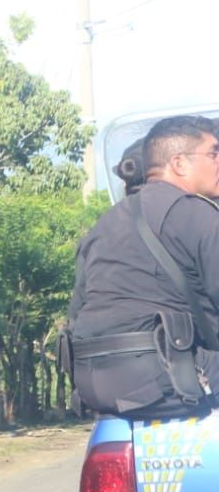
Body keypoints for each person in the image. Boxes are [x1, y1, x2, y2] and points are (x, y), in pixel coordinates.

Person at [67, 115, 219, 419]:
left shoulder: (102, 226)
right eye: (214, 153)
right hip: (172, 379)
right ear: (179, 163)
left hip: (96, 385)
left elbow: (76, 313)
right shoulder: (196, 214)